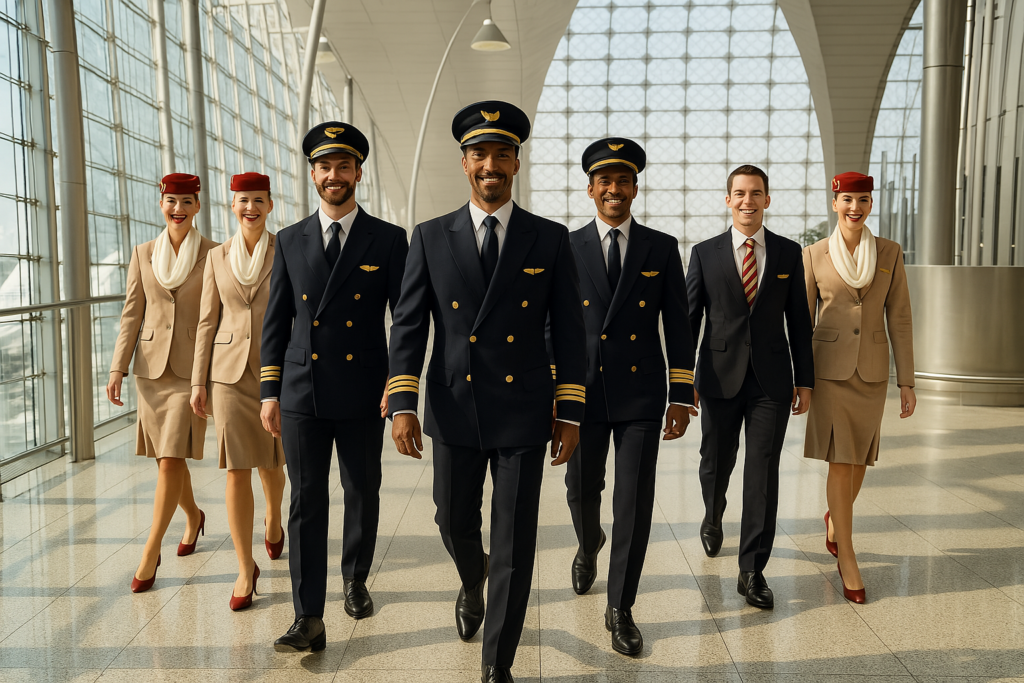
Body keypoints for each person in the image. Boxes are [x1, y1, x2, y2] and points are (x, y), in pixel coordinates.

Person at [387, 101, 586, 683]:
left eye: (502, 154)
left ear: (517, 164)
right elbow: (408, 325)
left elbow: (570, 333)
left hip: (523, 411)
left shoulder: (549, 240)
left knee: (515, 539)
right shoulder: (430, 236)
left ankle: (496, 664)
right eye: (480, 154)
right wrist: (402, 401)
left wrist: (569, 411)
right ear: (465, 163)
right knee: (452, 522)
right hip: (452, 406)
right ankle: (472, 581)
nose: (491, 164)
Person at [261, 122, 408, 652]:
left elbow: (405, 318)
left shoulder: (389, 240)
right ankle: (307, 615)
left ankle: (355, 577)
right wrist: (269, 391)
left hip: (366, 388)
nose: (333, 175)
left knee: (361, 489)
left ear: (358, 174)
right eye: (325, 166)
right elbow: (276, 321)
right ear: (313, 173)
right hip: (302, 389)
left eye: (343, 166)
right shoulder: (290, 238)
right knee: (306, 499)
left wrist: (399, 382)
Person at [564, 138, 696, 656]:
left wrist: (681, 394)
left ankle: (621, 606)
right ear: (591, 189)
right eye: (605, 181)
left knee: (634, 501)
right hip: (583, 392)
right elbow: (554, 324)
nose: (614, 189)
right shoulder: (566, 245)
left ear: (635, 188)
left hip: (642, 392)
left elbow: (679, 325)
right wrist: (557, 391)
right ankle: (587, 541)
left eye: (623, 181)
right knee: (581, 489)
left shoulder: (660, 247)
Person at [685, 164, 814, 609]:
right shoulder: (704, 253)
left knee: (762, 473)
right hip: (718, 377)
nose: (747, 200)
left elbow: (800, 321)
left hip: (771, 381)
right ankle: (713, 514)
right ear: (728, 200)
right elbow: (689, 319)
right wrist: (684, 381)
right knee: (715, 462)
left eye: (755, 193)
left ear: (767, 200)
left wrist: (806, 380)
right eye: (739, 193)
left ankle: (752, 570)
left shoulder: (787, 252)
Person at [803, 171, 916, 604]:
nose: (855, 207)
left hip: (871, 372)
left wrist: (906, 379)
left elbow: (900, 318)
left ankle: (835, 519)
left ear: (871, 204)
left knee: (861, 460)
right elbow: (801, 321)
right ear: (835, 203)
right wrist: (801, 379)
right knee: (840, 460)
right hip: (828, 372)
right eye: (847, 199)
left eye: (863, 199)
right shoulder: (813, 255)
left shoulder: (889, 252)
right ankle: (846, 554)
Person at [107, 173, 218, 593]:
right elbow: (132, 313)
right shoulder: (143, 253)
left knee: (171, 460)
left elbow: (212, 318)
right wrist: (118, 367)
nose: (178, 209)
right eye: (172, 201)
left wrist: (207, 375)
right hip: (150, 370)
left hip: (191, 372)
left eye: (187, 201)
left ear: (197, 207)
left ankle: (150, 551)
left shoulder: (213, 254)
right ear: (161, 204)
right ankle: (192, 515)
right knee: (166, 459)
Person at [190, 172, 287, 611]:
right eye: (243, 200)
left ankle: (273, 516)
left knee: (271, 461)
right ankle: (244, 567)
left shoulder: (284, 249)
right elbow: (207, 321)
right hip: (227, 374)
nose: (250, 208)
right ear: (233, 206)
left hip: (275, 370)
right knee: (236, 468)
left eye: (258, 200)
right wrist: (198, 381)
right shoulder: (216, 257)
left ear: (270, 205)